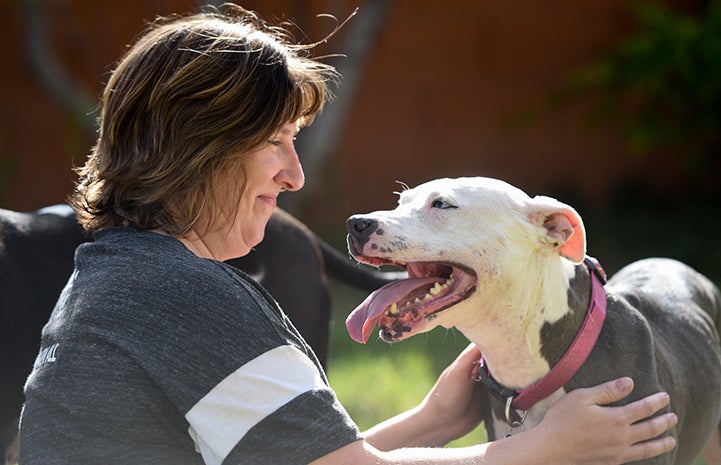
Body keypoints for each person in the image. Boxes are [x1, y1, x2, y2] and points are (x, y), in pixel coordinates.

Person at [18, 4, 678, 465]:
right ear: (201, 148)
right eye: (275, 142)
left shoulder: (115, 270)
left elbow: (304, 458)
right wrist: (538, 450)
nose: (295, 176)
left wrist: (433, 422)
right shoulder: (186, 294)